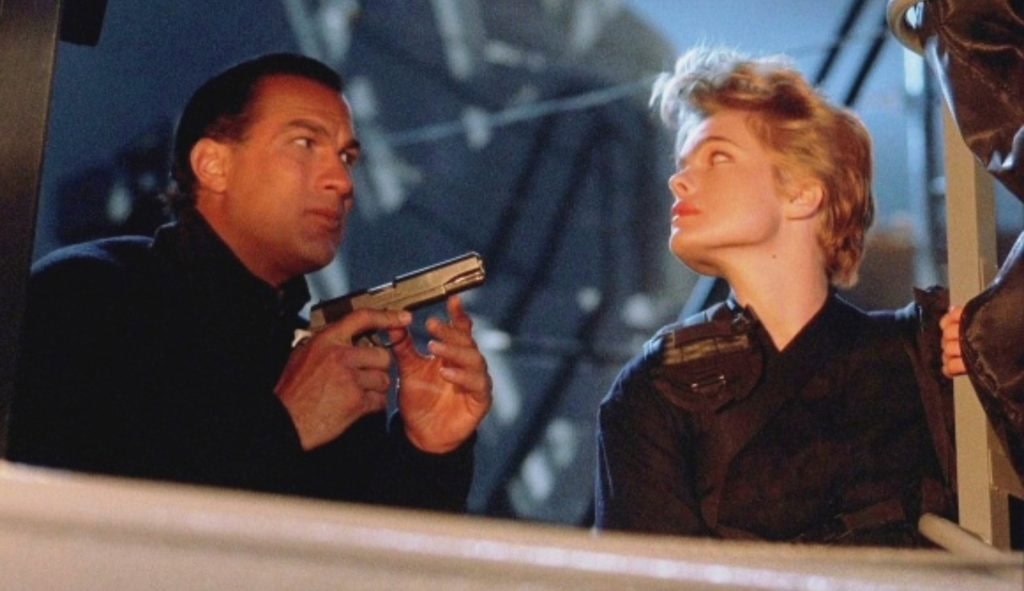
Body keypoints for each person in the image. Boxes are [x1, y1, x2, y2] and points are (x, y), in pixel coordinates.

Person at [7, 53, 492, 512]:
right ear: (213, 165)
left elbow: (365, 557)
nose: (342, 182)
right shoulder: (85, 296)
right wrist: (285, 426)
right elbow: (55, 519)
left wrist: (430, 451)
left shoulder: (330, 361)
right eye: (305, 144)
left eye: (346, 157)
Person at [594, 47, 956, 545]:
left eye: (718, 156)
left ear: (803, 193)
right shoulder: (653, 393)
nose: (678, 179)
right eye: (683, 163)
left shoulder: (932, 355)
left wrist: (994, 350)